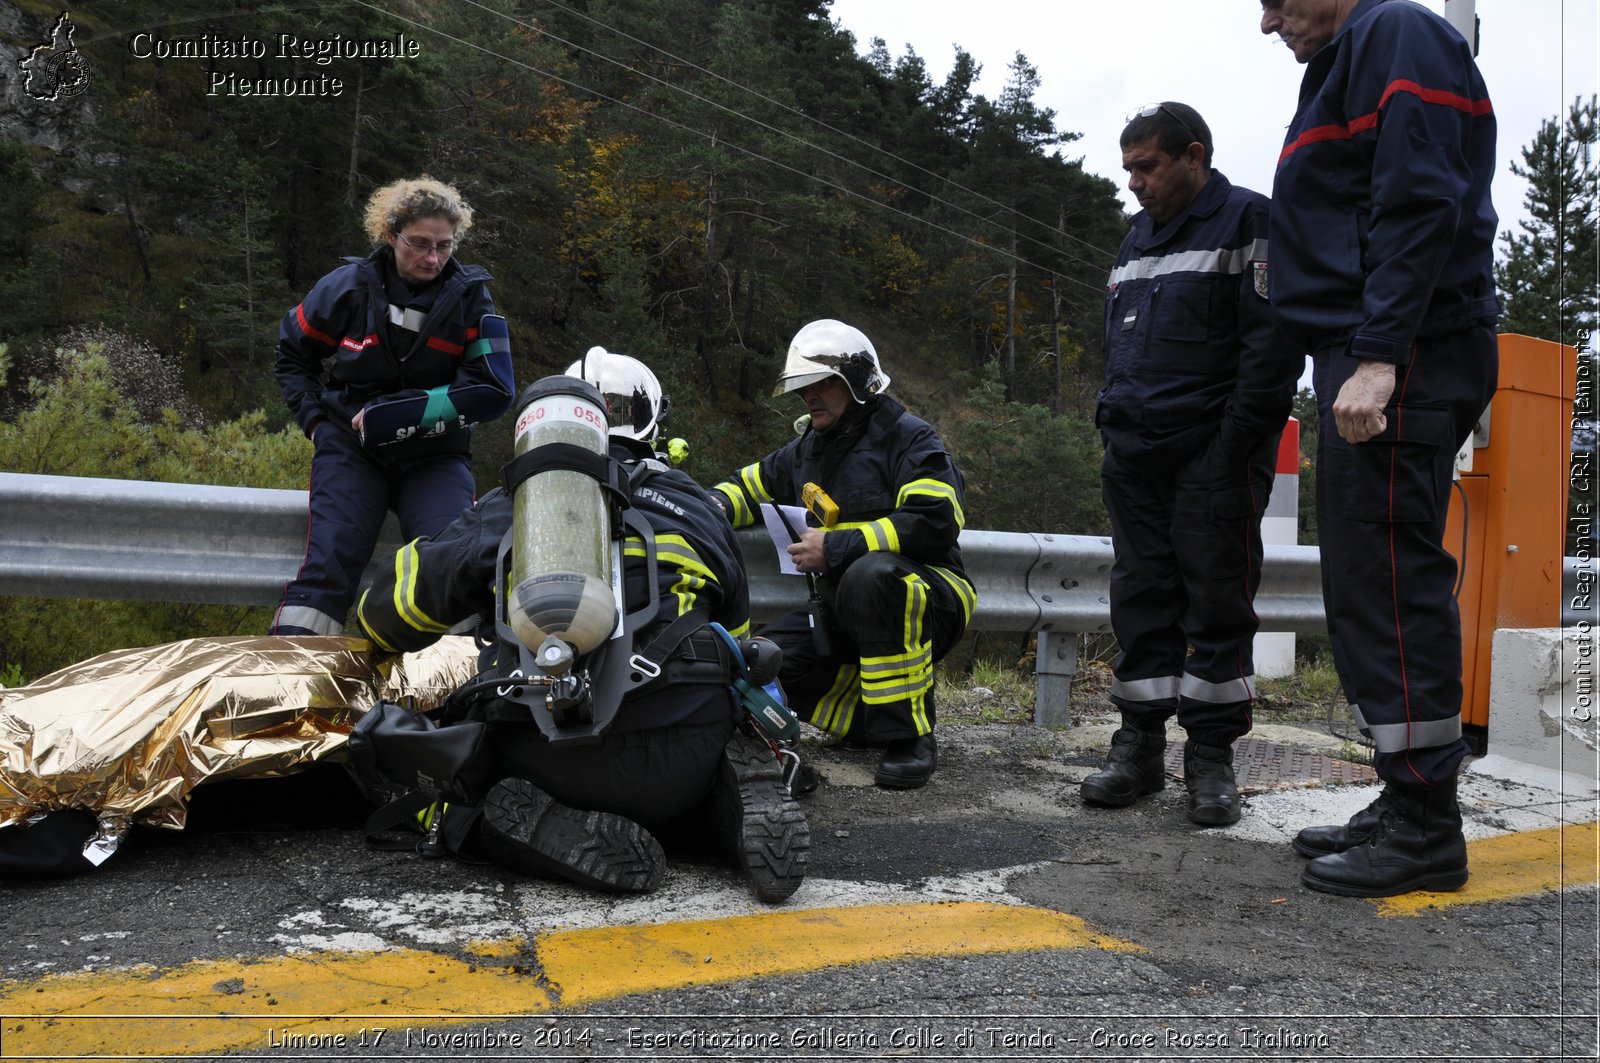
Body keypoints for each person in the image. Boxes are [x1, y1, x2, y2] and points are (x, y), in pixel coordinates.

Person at [353, 351, 809, 902]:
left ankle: (491, 823)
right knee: (704, 728)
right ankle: (718, 802)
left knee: (450, 795)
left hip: (545, 754)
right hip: (686, 742)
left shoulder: (515, 504)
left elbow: (395, 612)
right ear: (653, 425)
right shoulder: (694, 503)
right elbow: (739, 648)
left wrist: (373, 614)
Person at [1260, 0, 1500, 896]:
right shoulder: (1347, 60)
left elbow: (1419, 201)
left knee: (1392, 581)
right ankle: (1406, 797)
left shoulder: (1397, 33)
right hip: (1377, 348)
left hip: (1407, 348)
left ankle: (1427, 825)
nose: (1268, 21)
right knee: (1366, 580)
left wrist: (1380, 356)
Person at [1085, 102, 1299, 826]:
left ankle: (1210, 759)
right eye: (1129, 170)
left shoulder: (1250, 222)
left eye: (1147, 167)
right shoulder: (1134, 239)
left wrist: (1232, 445)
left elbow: (1272, 348)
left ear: (1193, 156)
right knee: (1141, 597)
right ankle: (1140, 748)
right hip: (1135, 453)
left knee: (1215, 603)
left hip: (1213, 454)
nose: (1134, 183)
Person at [711, 320, 976, 790]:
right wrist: (701, 509)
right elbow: (744, 489)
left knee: (869, 576)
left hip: (929, 596)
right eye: (803, 390)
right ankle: (867, 722)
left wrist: (835, 546)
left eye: (821, 385)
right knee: (759, 662)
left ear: (855, 383)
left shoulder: (910, 439)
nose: (810, 397)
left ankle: (910, 736)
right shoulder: (805, 451)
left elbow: (934, 521)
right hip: (842, 609)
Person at [270, 176, 515, 636]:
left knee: (453, 568)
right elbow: (292, 357)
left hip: (435, 455)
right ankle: (290, 684)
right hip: (350, 448)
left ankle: (460, 695)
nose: (432, 258)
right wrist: (317, 424)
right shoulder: (345, 289)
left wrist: (396, 414)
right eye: (419, 243)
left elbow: (493, 390)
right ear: (389, 234)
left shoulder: (471, 298)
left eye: (444, 246)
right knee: (332, 562)